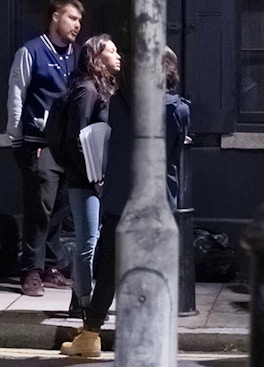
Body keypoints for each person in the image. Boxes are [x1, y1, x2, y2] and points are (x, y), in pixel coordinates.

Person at [60, 47, 190, 358]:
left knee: (108, 271)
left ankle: (90, 336)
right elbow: (174, 156)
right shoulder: (179, 111)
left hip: (121, 202)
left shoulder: (118, 103)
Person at [6, 0, 84, 297]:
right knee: (40, 208)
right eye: (71, 18)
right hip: (37, 143)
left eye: (79, 20)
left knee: (61, 207)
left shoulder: (77, 55)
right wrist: (17, 138)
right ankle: (31, 271)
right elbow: (17, 94)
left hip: (68, 146)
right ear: (55, 17)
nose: (77, 25)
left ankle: (50, 266)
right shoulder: (31, 52)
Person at [58, 34, 122, 316]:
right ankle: (83, 301)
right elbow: (77, 137)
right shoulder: (87, 90)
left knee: (93, 238)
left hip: (96, 178)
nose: (118, 55)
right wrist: (93, 175)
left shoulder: (102, 88)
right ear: (97, 56)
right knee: (87, 242)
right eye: (112, 50)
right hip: (85, 178)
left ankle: (81, 297)